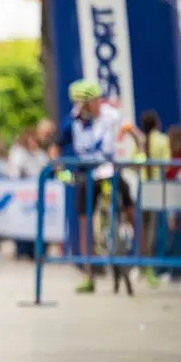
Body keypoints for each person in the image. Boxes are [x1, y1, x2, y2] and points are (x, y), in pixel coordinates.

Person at [57, 79, 135, 293]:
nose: (97, 104)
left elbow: (129, 129)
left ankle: (143, 258)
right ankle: (89, 274)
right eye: (91, 101)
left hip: (109, 169)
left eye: (97, 100)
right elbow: (58, 146)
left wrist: (138, 146)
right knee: (85, 221)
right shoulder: (71, 121)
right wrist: (61, 172)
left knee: (129, 203)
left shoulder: (111, 114)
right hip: (86, 174)